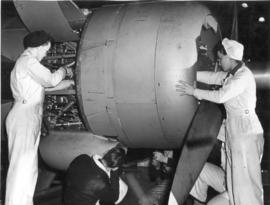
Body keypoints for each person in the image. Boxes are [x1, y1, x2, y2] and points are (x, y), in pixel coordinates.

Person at [176, 38, 264, 205]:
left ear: (230, 57)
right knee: (236, 182)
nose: (218, 61)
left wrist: (194, 91)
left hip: (245, 131)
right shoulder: (233, 75)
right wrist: (188, 73)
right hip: (236, 129)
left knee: (245, 185)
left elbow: (221, 96)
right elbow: (214, 77)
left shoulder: (243, 76)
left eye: (220, 58)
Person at [5, 30, 74, 205]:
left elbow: (46, 87)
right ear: (39, 46)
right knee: (21, 168)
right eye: (46, 49)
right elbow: (50, 80)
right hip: (24, 116)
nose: (46, 53)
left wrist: (72, 82)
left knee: (28, 168)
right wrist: (64, 70)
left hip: (27, 116)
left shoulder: (26, 64)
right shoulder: (28, 61)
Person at [63, 146, 128, 205]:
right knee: (124, 188)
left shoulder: (82, 158)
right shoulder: (102, 184)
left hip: (67, 200)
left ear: (106, 152)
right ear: (115, 167)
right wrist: (114, 173)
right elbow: (114, 198)